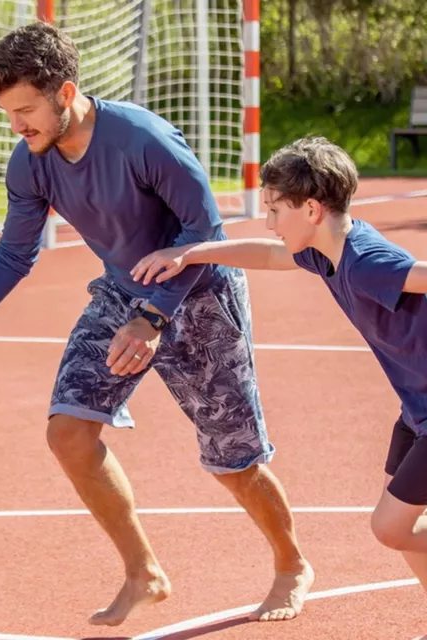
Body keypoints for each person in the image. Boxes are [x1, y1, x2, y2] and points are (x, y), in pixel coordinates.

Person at [0, 21, 314, 627]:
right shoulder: (32, 162)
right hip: (123, 293)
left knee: (234, 462)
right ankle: (143, 572)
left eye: (26, 111)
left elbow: (204, 234)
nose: (18, 127)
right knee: (68, 433)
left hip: (200, 293)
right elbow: (15, 253)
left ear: (65, 92)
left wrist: (153, 317)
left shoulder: (143, 140)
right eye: (9, 113)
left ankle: (291, 564)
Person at [131, 135, 427, 611]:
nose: (268, 223)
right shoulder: (326, 250)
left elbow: (419, 273)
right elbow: (269, 257)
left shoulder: (365, 261)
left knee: (392, 527)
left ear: (310, 209)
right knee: (406, 523)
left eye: (274, 211)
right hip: (416, 405)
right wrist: (192, 253)